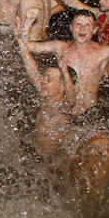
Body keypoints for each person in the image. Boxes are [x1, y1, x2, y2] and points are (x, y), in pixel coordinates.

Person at [24, 10, 109, 113]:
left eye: (88, 25)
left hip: (90, 112)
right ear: (71, 28)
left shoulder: (105, 52)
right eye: (78, 24)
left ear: (95, 30)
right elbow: (26, 46)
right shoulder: (60, 47)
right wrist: (28, 22)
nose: (82, 29)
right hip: (64, 111)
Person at [14, 26, 74, 156]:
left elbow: (71, 97)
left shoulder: (64, 108)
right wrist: (19, 39)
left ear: (62, 86)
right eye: (45, 77)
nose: (44, 81)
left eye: (50, 79)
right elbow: (32, 69)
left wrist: (65, 71)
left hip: (56, 160)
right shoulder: (45, 93)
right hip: (38, 154)